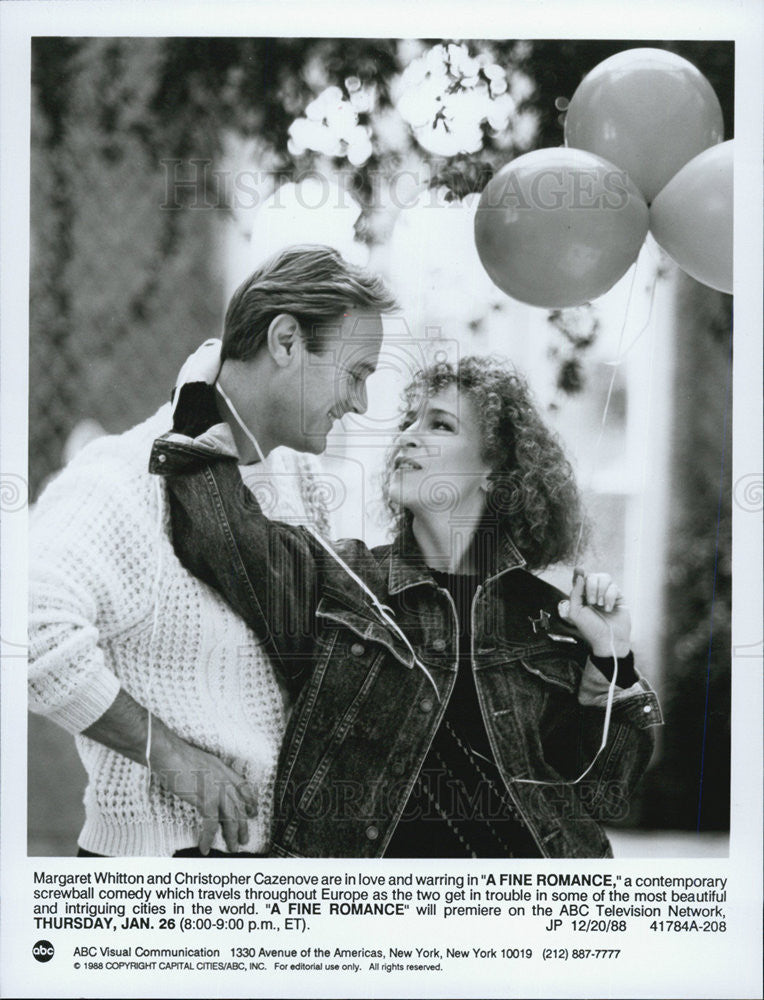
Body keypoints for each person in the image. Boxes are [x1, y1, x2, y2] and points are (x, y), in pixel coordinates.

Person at [152, 355, 662, 859]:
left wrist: (609, 656)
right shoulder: (344, 579)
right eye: (408, 423)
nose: (408, 436)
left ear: (495, 471)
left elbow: (602, 794)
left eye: (439, 425)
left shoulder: (551, 618)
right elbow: (224, 537)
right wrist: (199, 400)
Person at [28, 244, 396, 857]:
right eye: (355, 373)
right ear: (285, 342)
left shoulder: (298, 490)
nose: (359, 403)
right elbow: (29, 629)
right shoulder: (122, 477)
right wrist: (167, 754)